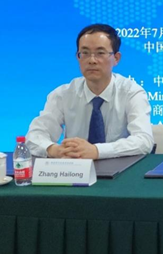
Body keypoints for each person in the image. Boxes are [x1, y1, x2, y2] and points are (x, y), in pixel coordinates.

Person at [26, 24, 153, 159]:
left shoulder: (131, 93)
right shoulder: (63, 95)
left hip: (120, 168)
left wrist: (97, 151)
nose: (92, 60)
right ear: (78, 57)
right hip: (73, 168)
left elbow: (144, 141)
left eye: (100, 53)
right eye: (85, 53)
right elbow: (34, 136)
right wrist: (55, 150)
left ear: (116, 58)